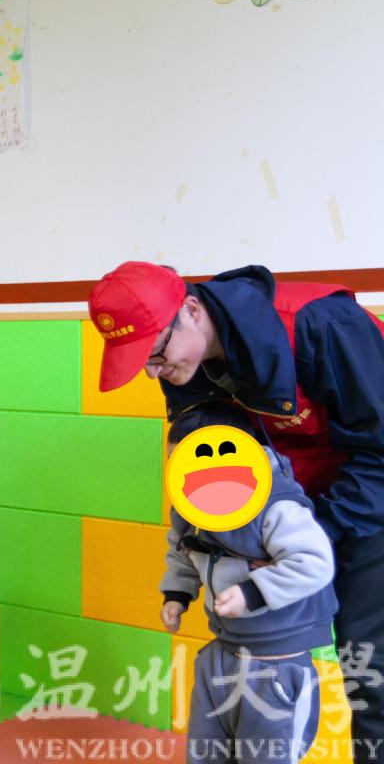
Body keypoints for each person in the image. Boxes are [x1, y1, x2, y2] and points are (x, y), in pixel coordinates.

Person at [90, 261, 384, 761]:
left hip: (366, 496)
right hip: (283, 505)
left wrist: (307, 534)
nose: (153, 371)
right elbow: (209, 460)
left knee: (369, 663)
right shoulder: (184, 365)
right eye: (142, 362)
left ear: (190, 310)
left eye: (154, 353)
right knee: (254, 654)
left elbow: (379, 452)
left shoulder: (323, 325)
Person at [160, 402, 337, 764]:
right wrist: (177, 594)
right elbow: (183, 549)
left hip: (276, 662)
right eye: (176, 466)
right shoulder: (191, 505)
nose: (184, 478)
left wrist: (252, 592)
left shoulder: (276, 506)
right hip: (223, 652)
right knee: (206, 751)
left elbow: (314, 561)